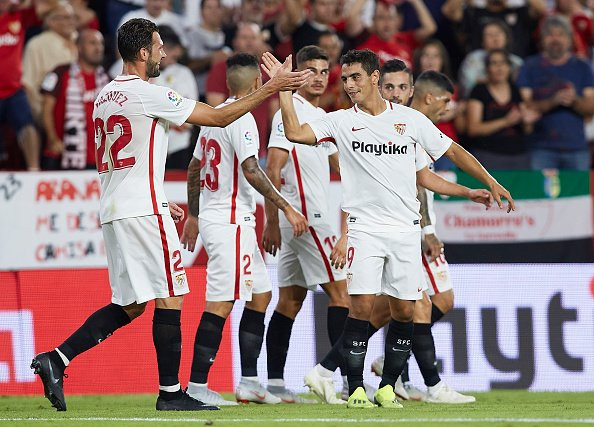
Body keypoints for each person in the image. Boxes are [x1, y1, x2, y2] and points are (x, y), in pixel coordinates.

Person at [30, 17, 311, 412]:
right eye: (159, 46)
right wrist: (271, 88)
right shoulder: (148, 93)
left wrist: (160, 199)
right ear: (143, 52)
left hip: (116, 209)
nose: (164, 53)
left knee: (131, 304)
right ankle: (171, 393)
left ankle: (56, 359)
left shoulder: (105, 95)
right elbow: (218, 117)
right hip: (143, 210)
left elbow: (133, 156)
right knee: (172, 295)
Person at [262, 48, 514, 408]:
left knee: (406, 310)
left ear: (374, 77)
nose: (349, 85)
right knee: (361, 307)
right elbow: (295, 132)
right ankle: (355, 389)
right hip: (364, 229)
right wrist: (284, 90)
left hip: (405, 230)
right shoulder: (339, 121)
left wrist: (482, 184)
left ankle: (387, 386)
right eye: (345, 79)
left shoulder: (410, 121)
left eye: (356, 77)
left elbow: (449, 155)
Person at [179, 53, 308, 407]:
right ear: (256, 83)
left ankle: (249, 382)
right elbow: (251, 169)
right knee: (221, 302)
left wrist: (194, 214)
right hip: (230, 221)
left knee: (260, 295)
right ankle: (197, 385)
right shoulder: (243, 118)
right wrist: (286, 207)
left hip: (226, 220)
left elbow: (194, 168)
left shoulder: (214, 115)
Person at [367, 65, 476, 404]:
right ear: (430, 97)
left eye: (402, 87)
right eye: (446, 101)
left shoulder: (421, 128)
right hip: (408, 230)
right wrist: (427, 231)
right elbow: (418, 186)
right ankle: (423, 381)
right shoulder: (403, 127)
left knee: (421, 304)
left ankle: (381, 366)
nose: (448, 108)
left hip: (417, 229)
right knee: (420, 305)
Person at [262, 45, 349, 404]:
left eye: (324, 71)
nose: (318, 77)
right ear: (297, 74)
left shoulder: (320, 115)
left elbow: (340, 165)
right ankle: (343, 380)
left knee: (289, 301)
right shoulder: (290, 112)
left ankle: (274, 385)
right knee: (344, 295)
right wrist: (271, 220)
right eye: (311, 70)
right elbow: (272, 168)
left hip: (300, 221)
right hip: (305, 217)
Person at [517, 15, 594, 170]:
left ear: (570, 39)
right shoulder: (530, 66)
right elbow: (524, 106)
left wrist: (574, 100)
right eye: (550, 35)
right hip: (540, 147)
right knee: (538, 187)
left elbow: (590, 108)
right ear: (542, 39)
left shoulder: (582, 66)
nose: (555, 39)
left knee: (578, 187)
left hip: (576, 147)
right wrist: (552, 101)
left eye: (561, 35)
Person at [41, 28, 109, 170]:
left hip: (97, 159)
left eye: (101, 43)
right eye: (92, 43)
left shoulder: (108, 80)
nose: (98, 48)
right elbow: (46, 108)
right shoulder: (60, 73)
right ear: (79, 47)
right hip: (63, 155)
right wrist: (52, 139)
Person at [0, 0, 51, 170]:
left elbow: (52, 6)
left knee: (28, 128)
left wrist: (26, 3)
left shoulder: (18, 15)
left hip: (14, 89)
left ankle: (33, 171)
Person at [466, 49, 539, 169]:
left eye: (503, 63)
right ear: (487, 68)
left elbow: (527, 130)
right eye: (494, 63)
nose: (499, 68)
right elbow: (473, 129)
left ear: (509, 67)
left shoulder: (516, 90)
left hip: (518, 155)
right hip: (487, 154)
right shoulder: (479, 91)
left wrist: (527, 122)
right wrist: (505, 121)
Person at [150, 25, 198, 169]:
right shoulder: (144, 73)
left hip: (179, 145)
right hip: (150, 145)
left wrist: (161, 117)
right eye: (169, 49)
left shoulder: (183, 73)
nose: (174, 54)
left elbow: (189, 114)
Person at [22, 0, 77, 123]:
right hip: (47, 111)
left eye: (73, 17)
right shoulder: (37, 45)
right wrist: (35, 117)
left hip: (79, 109)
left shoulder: (82, 40)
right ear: (51, 21)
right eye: (66, 17)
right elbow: (28, 85)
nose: (71, 21)